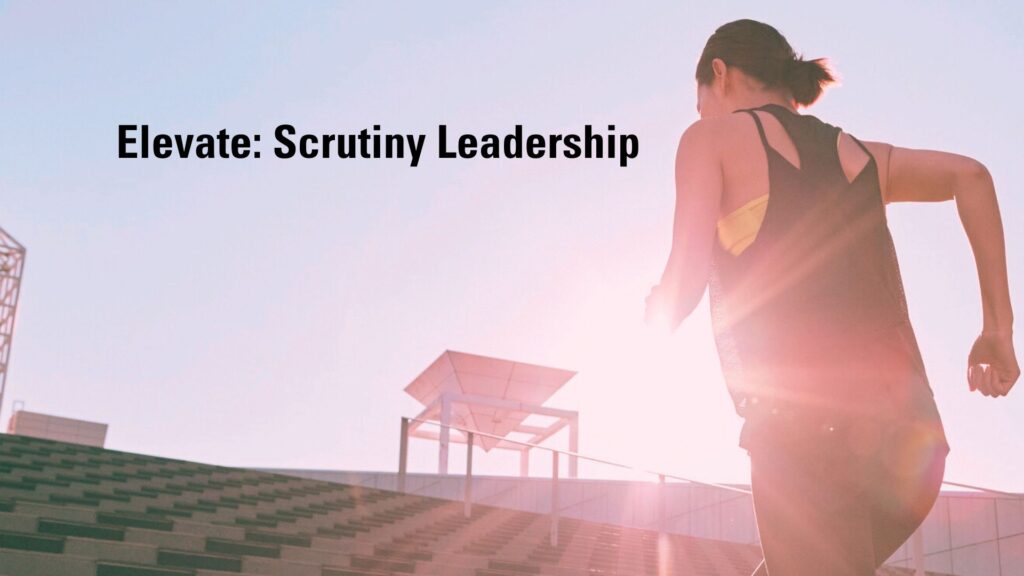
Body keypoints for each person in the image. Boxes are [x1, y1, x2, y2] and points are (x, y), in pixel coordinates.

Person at [644, 19, 1019, 576]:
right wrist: (999, 329)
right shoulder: (859, 154)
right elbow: (973, 176)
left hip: (803, 437)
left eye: (699, 100)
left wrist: (648, 323)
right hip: (908, 446)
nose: (699, 114)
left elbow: (686, 280)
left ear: (718, 74)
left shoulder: (709, 140)